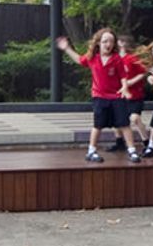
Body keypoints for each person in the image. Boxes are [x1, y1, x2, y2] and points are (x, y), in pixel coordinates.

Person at [57, 30, 141, 163]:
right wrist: (67, 48)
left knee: (124, 124)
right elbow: (79, 59)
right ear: (98, 43)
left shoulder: (116, 59)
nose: (108, 44)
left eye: (111, 41)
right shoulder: (92, 58)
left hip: (116, 96)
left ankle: (132, 151)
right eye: (105, 41)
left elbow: (123, 76)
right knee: (98, 125)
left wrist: (124, 87)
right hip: (99, 96)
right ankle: (91, 151)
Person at [116, 40, 150, 152]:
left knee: (135, 118)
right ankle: (119, 142)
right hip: (120, 93)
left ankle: (146, 142)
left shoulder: (131, 58)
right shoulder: (114, 59)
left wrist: (130, 82)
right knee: (116, 117)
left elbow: (143, 72)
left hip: (134, 94)